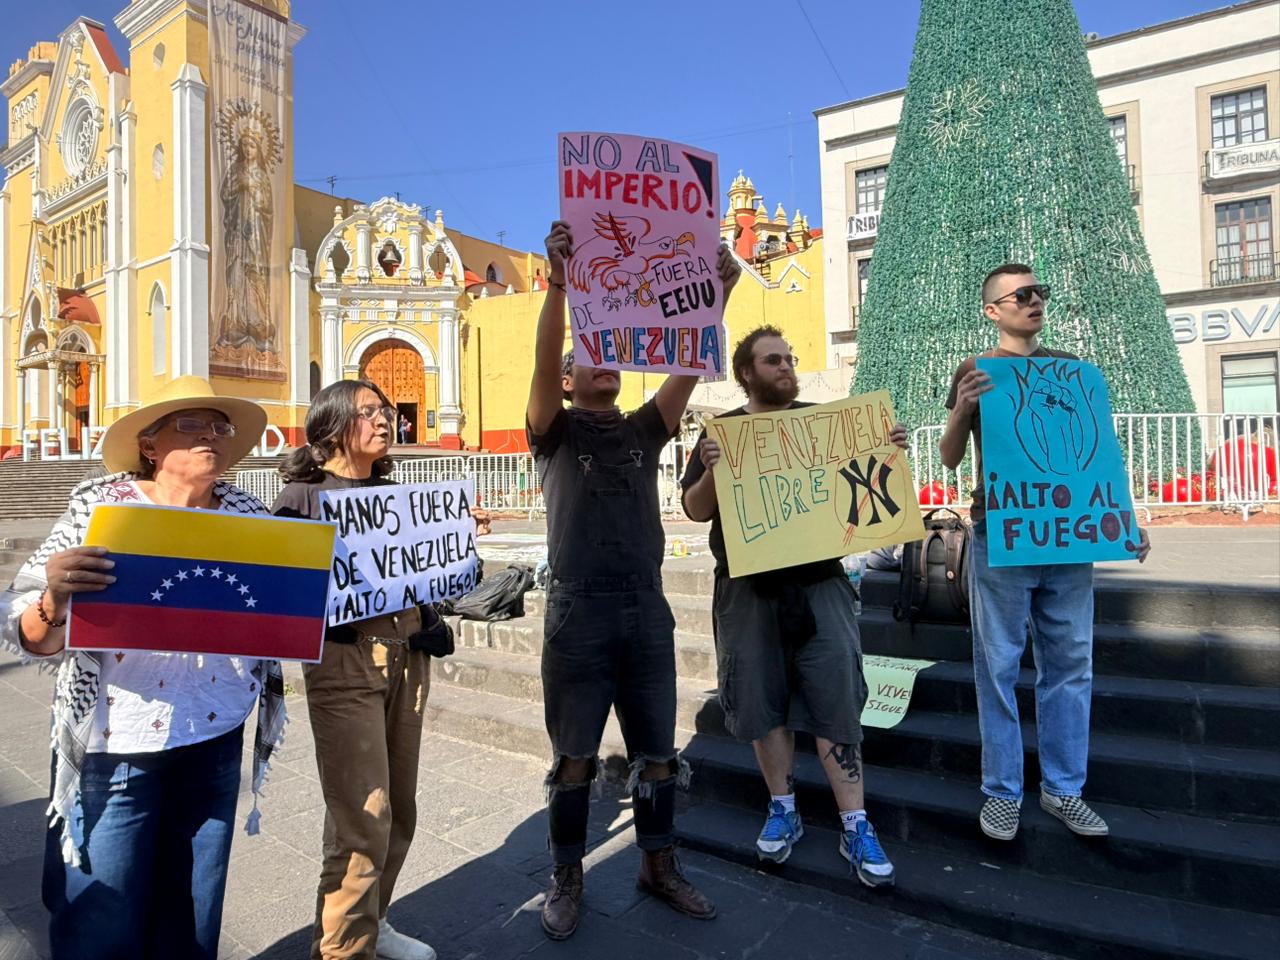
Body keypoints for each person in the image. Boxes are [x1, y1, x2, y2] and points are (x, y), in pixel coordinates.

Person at [0, 376, 285, 960]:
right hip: (117, 743)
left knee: (191, 919)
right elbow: (23, 626)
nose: (210, 434)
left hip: (214, 739)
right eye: (190, 424)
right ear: (150, 446)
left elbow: (290, 606)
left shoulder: (253, 519)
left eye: (220, 426)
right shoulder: (103, 509)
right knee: (99, 924)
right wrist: (54, 599)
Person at [528, 220, 740, 940]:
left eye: (611, 353)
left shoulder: (645, 429)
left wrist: (717, 291)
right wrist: (558, 286)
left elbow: (685, 370)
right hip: (577, 616)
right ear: (567, 380)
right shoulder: (553, 431)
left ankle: (658, 864)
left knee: (657, 755)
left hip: (646, 613)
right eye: (591, 356)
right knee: (576, 759)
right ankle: (567, 875)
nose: (606, 361)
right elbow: (540, 365)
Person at [680, 326, 901, 887]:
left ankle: (856, 822)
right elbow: (695, 510)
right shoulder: (720, 434)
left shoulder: (824, 426)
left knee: (838, 697)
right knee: (759, 702)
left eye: (789, 357)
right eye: (772, 359)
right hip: (747, 592)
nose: (786, 366)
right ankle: (783, 808)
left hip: (821, 584)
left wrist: (887, 453)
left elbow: (865, 490)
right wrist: (710, 469)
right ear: (746, 373)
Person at [939, 263, 1151, 842]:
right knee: (998, 667)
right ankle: (1002, 791)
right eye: (1022, 295)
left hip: (1069, 536)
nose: (1035, 302)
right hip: (1001, 534)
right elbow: (951, 457)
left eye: (1040, 293)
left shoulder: (1078, 372)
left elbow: (1098, 454)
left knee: (1071, 665)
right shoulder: (978, 370)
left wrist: (1122, 518)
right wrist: (960, 409)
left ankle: (1063, 789)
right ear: (994, 310)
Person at [273, 379, 447, 960]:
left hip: (408, 657)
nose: (384, 420)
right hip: (345, 660)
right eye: (368, 411)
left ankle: (374, 917)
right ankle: (346, 949)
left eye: (385, 411)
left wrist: (452, 553)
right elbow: (287, 594)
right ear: (330, 425)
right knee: (363, 812)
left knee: (397, 808)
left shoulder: (396, 495)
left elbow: (415, 576)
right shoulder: (300, 499)